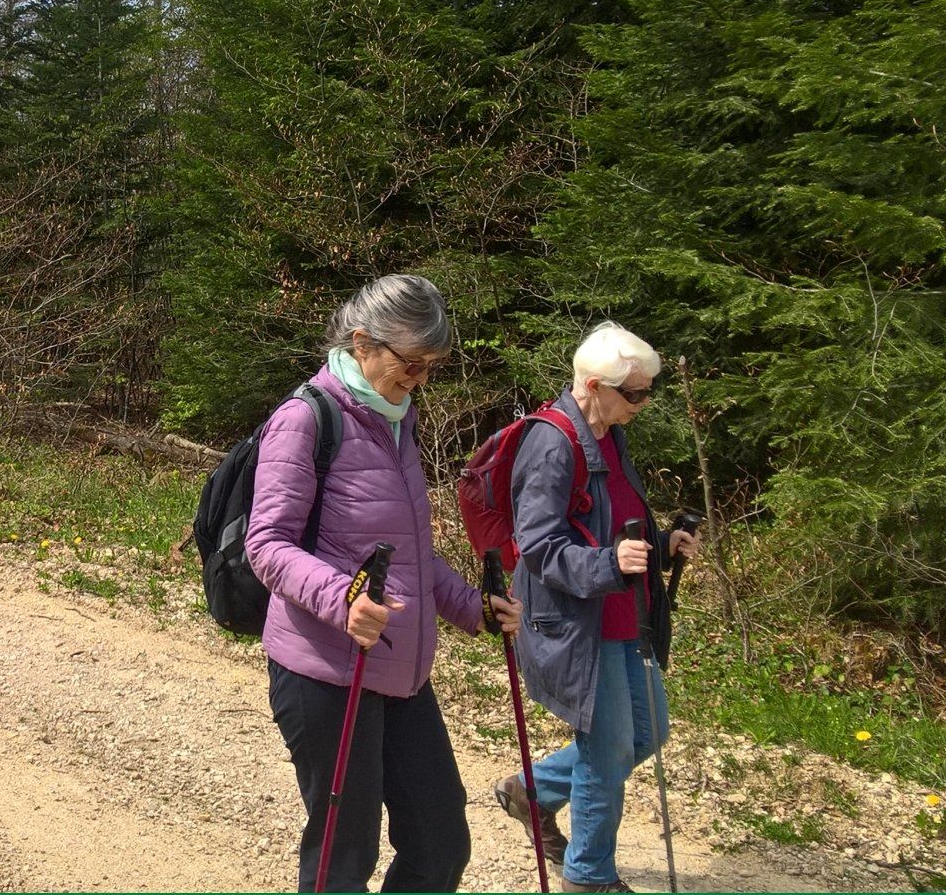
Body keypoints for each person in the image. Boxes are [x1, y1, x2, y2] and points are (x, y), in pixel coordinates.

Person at [248, 274, 521, 893]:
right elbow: (265, 545)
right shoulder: (306, 418)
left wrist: (473, 608)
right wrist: (341, 597)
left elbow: (412, 557)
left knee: (440, 842)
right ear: (363, 341)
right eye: (412, 361)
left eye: (432, 365)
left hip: (400, 670)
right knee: (345, 858)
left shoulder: (397, 420)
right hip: (326, 671)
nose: (420, 377)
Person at [493, 322, 702, 893]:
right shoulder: (553, 442)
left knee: (648, 731)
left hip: (620, 614)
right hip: (575, 623)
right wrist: (613, 565)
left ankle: (528, 791)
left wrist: (660, 546)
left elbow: (609, 525)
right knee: (607, 753)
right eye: (634, 392)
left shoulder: (608, 432)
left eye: (648, 391)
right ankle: (588, 877)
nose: (644, 402)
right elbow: (537, 546)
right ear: (594, 384)